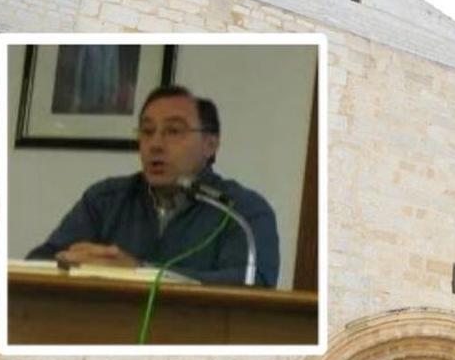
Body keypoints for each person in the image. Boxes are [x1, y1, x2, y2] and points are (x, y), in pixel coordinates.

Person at [27, 85, 280, 286]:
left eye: (173, 131)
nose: (155, 144)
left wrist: (139, 273)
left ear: (210, 144)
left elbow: (252, 284)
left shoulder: (241, 211)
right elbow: (37, 264)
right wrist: (72, 262)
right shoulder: (106, 200)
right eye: (147, 131)